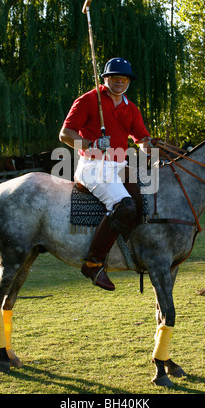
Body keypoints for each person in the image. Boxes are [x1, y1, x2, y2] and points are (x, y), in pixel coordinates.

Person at [59, 58, 151, 291]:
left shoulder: (131, 108)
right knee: (126, 206)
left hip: (119, 166)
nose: (120, 82)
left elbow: (142, 139)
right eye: (115, 77)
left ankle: (135, 253)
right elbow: (65, 134)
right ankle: (93, 262)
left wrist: (152, 146)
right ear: (106, 79)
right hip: (92, 165)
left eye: (124, 78)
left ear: (129, 81)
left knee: (145, 202)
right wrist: (91, 142)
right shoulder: (89, 100)